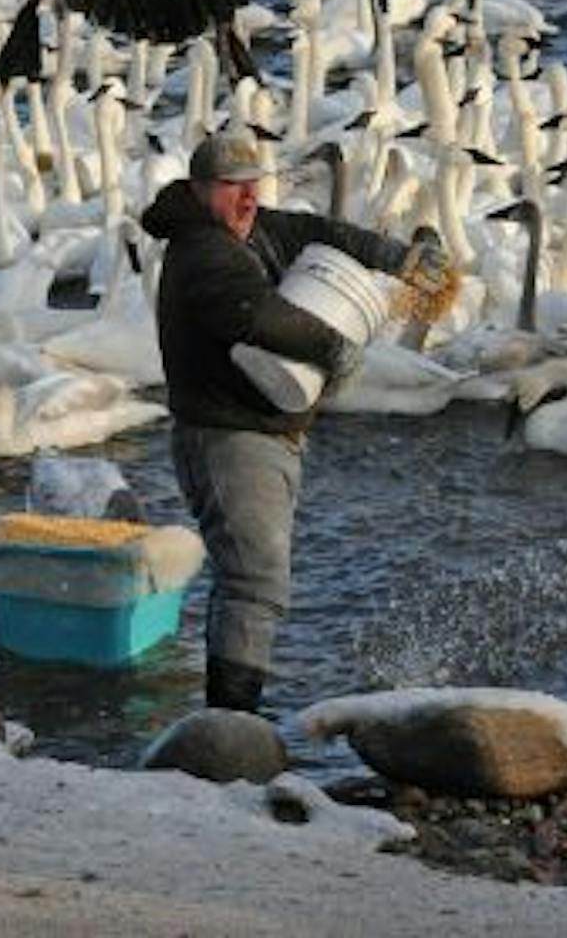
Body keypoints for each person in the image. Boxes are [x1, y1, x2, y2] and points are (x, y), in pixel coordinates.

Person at [138, 129, 448, 713]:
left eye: (252, 185)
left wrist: (395, 259)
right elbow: (260, 315)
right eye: (233, 188)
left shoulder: (247, 230)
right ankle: (231, 727)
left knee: (251, 580)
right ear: (202, 189)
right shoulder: (201, 252)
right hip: (228, 436)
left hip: (262, 430)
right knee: (255, 582)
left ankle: (231, 719)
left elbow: (316, 233)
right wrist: (335, 349)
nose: (248, 198)